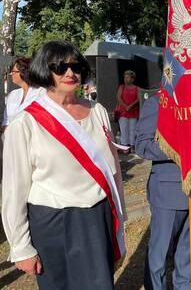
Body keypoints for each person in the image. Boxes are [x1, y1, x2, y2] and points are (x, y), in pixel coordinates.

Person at [2, 41, 126, 289]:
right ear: (44, 71)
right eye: (60, 67)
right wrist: (21, 246)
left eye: (76, 66)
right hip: (53, 222)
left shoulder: (98, 110)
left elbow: (113, 170)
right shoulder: (25, 123)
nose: (70, 73)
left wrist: (118, 220)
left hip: (96, 216)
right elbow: (13, 189)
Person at [136, 92, 191, 290]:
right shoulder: (157, 103)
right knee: (159, 254)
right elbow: (142, 146)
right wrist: (181, 146)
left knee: (187, 251)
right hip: (168, 191)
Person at [2, 57, 44, 130]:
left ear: (23, 73)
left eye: (13, 71)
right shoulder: (13, 94)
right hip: (11, 138)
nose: (11, 74)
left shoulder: (41, 93)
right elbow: (6, 120)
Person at [116, 70, 140, 150]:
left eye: (128, 77)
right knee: (124, 129)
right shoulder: (122, 87)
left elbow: (138, 99)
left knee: (133, 130)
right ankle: (124, 147)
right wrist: (125, 106)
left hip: (133, 112)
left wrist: (130, 106)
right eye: (125, 77)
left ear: (132, 79)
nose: (125, 79)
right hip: (123, 112)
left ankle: (132, 146)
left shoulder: (137, 88)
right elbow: (119, 97)